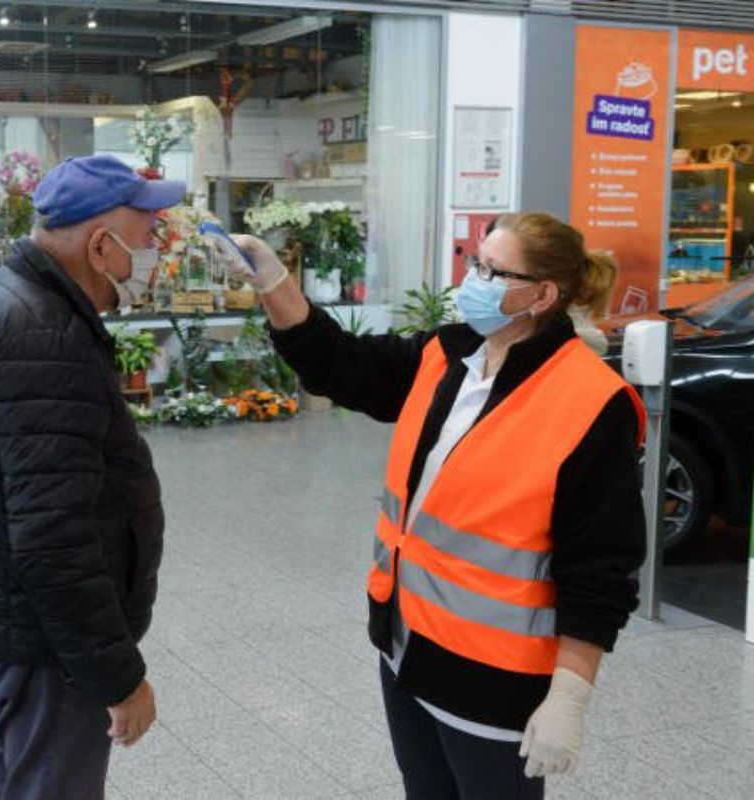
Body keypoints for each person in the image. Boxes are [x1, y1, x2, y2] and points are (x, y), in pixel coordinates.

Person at [219, 211, 645, 799]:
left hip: (491, 681)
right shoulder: (448, 355)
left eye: (494, 272)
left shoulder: (591, 403)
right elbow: (340, 364)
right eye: (476, 264)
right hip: (407, 649)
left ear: (543, 295)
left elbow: (601, 565)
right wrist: (274, 282)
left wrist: (570, 696)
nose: (474, 281)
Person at [0, 155, 179, 799]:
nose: (157, 251)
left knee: (13, 779)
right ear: (101, 246)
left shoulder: (12, 300)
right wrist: (116, 675)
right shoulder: (43, 333)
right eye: (149, 235)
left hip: (16, 622)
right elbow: (54, 536)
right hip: (47, 645)